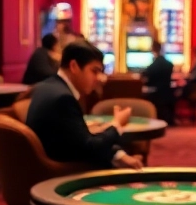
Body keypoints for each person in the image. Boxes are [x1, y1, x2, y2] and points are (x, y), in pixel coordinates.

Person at [25, 40, 144, 170]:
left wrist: (118, 155)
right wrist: (117, 124)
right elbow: (89, 148)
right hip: (59, 174)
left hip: (51, 165)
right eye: (94, 71)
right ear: (74, 66)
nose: (99, 78)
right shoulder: (63, 99)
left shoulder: (47, 86)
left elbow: (77, 142)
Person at [141, 41, 176, 124]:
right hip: (167, 91)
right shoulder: (169, 64)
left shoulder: (154, 65)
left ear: (152, 49)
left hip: (155, 92)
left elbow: (145, 76)